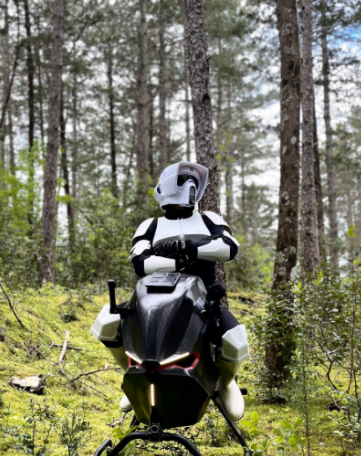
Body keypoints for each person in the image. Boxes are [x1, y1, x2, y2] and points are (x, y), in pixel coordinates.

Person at [91, 161, 250, 421]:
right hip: (153, 299)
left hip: (201, 300)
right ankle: (132, 374)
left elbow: (229, 247)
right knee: (106, 322)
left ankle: (227, 381)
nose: (188, 187)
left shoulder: (208, 219)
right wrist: (180, 260)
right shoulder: (151, 225)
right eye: (183, 180)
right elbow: (141, 263)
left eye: (192, 181)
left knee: (234, 339)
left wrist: (187, 246)